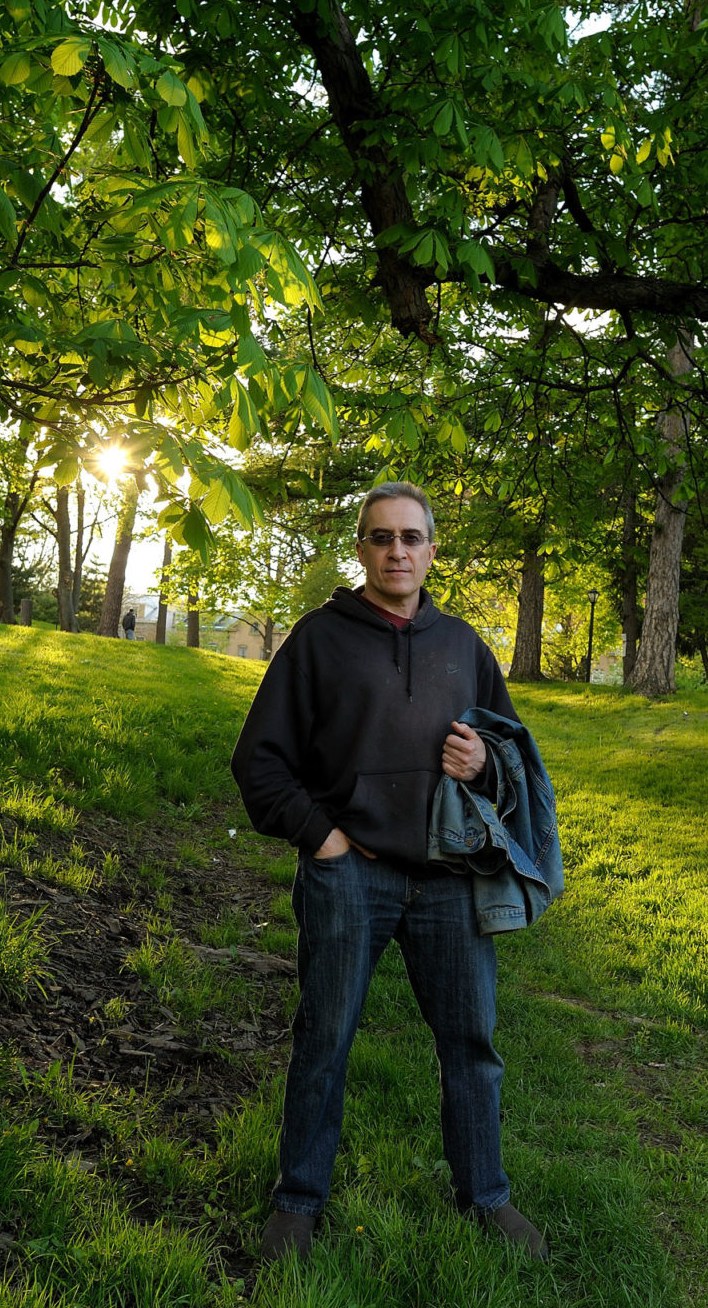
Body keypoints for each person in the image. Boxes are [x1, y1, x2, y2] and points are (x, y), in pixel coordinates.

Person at [230, 481, 550, 1265]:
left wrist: (481, 765)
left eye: (411, 537)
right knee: (324, 1037)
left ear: (432, 550)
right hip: (351, 876)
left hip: (448, 880)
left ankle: (487, 1196)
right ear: (362, 547)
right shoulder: (318, 641)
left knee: (471, 1041)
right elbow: (259, 762)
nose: (396, 551)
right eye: (381, 537)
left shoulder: (464, 647)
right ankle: (298, 1201)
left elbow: (511, 758)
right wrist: (324, 839)